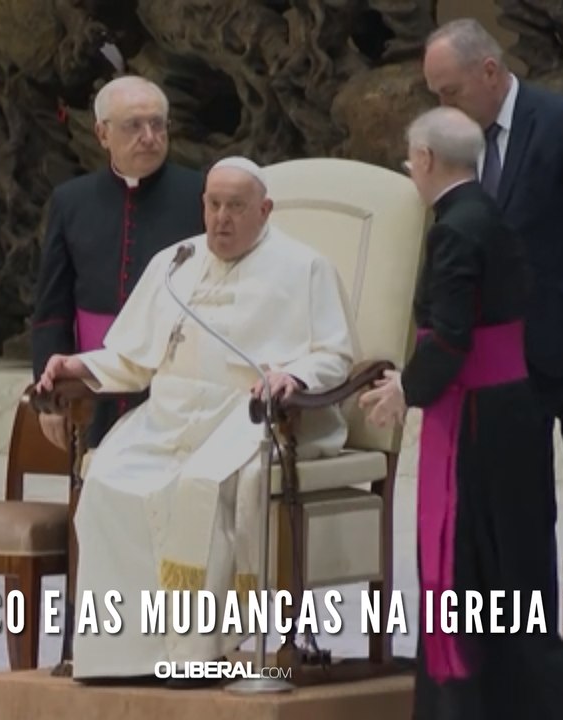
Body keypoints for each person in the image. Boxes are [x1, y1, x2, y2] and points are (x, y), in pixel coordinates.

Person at [36, 156, 358, 684]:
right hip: (168, 416)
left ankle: (198, 653)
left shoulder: (305, 267)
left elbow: (333, 355)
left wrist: (291, 377)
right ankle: (120, 657)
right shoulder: (173, 264)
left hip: (249, 415)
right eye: (212, 204)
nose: (221, 219)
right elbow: (132, 357)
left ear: (265, 210)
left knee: (200, 487)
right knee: (108, 483)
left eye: (236, 207)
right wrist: (79, 365)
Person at [421, 18, 563, 716]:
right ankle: (539, 672)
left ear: (491, 71)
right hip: (506, 375)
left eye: (451, 89)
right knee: (523, 522)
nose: (445, 104)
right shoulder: (457, 146)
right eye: (435, 93)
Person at [358, 107, 563, 719]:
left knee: (476, 574)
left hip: (478, 423)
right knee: (509, 575)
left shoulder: (454, 228)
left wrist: (406, 391)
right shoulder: (488, 212)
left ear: (423, 160)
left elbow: (448, 337)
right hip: (511, 413)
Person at [31, 75, 205, 451]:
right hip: (95, 387)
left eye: (158, 124)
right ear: (102, 133)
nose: (149, 136)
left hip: (175, 382)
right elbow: (52, 311)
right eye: (133, 125)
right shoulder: (70, 201)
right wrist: (50, 400)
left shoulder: (201, 194)